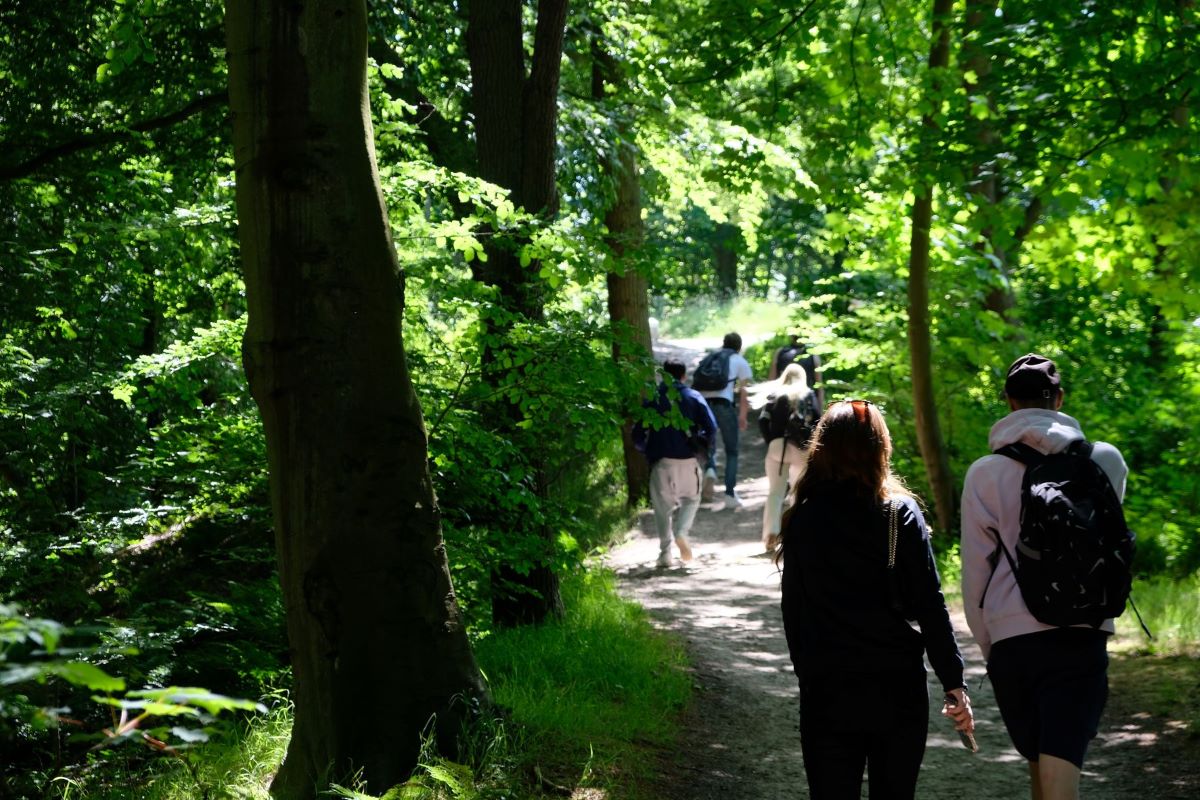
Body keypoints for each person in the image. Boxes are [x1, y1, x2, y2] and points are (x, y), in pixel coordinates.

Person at [778, 399, 973, 799]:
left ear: (823, 449)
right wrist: (953, 682)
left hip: (828, 688)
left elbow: (793, 610)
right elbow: (930, 605)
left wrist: (808, 674)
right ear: (879, 447)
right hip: (896, 685)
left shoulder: (804, 517)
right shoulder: (899, 514)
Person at [961, 353, 1127, 800]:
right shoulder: (1105, 460)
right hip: (1083, 629)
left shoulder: (984, 473)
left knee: (1040, 764)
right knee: (1060, 765)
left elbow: (976, 571)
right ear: (1060, 398)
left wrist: (988, 643)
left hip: (1012, 640)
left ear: (1008, 401)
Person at [633, 359, 719, 568]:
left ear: (663, 375)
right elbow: (711, 427)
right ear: (683, 375)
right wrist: (705, 450)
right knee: (691, 499)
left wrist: (647, 450)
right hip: (688, 460)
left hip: (661, 462)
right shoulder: (693, 396)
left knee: (662, 509)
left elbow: (637, 434)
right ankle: (681, 532)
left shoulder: (653, 398)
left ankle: (665, 554)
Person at [755, 364, 819, 552]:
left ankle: (771, 533)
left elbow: (762, 420)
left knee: (775, 493)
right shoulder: (808, 394)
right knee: (799, 494)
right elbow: (818, 421)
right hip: (801, 449)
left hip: (778, 446)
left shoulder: (775, 394)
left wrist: (771, 440)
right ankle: (797, 534)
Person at [696, 332, 753, 508]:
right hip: (723, 405)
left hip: (704, 405)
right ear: (739, 347)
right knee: (732, 450)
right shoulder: (740, 361)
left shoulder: (711, 357)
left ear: (724, 343)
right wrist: (743, 416)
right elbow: (745, 393)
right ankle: (729, 494)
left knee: (707, 443)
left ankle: (710, 468)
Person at [768, 335, 825, 407]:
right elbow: (819, 387)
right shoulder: (813, 355)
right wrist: (820, 410)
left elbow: (771, 381)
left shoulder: (780, 352)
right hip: (804, 401)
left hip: (785, 400)